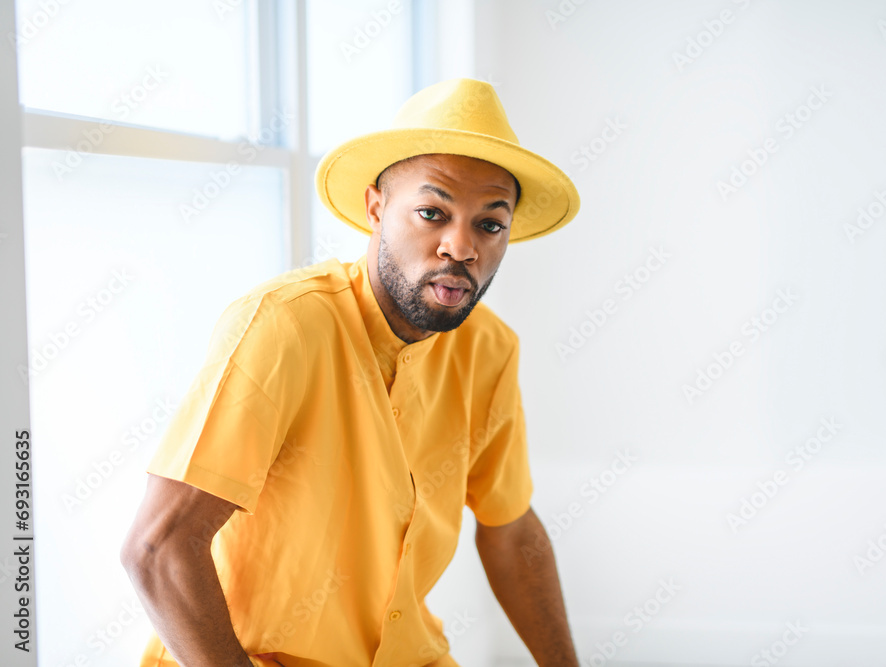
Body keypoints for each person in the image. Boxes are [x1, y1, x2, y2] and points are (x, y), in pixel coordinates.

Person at [120, 77, 582, 667]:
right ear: (376, 208)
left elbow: (510, 532)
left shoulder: (489, 349)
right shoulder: (284, 327)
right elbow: (158, 547)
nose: (460, 247)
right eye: (432, 212)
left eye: (490, 224)